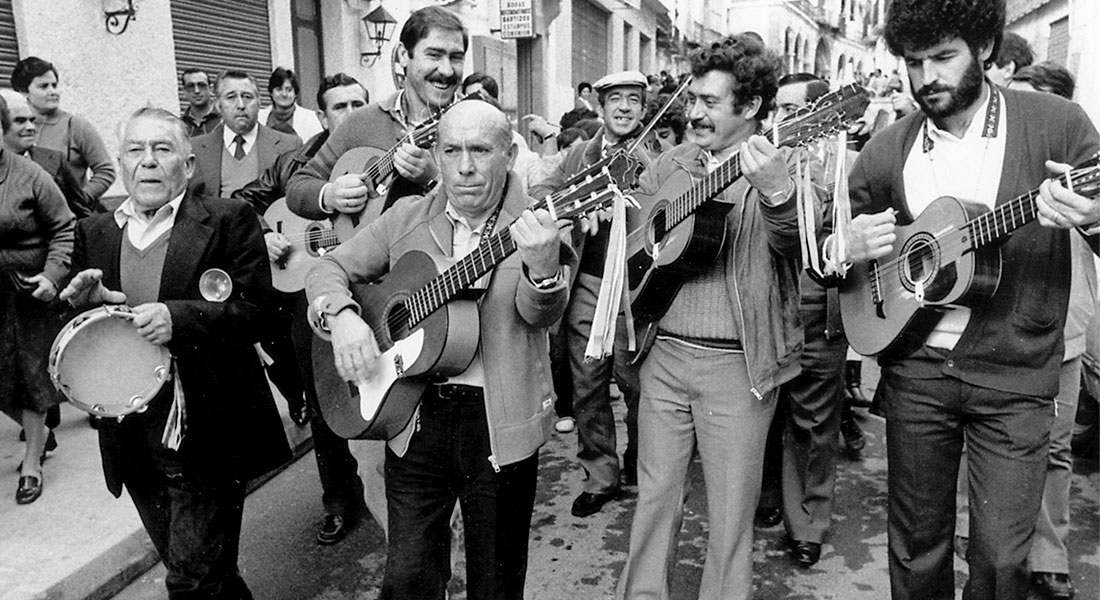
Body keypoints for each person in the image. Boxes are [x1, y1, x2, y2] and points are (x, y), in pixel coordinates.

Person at [835, 1, 1100, 598]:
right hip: (916, 375)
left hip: (1015, 376)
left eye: (944, 57)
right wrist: (847, 245)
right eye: (914, 62)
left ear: (984, 47)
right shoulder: (887, 147)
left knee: (1003, 559)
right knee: (915, 547)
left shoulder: (1058, 123)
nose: (927, 77)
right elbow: (834, 253)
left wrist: (1096, 218)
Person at [305, 98, 571, 600]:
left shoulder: (539, 220)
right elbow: (328, 268)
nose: (465, 167)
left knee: (495, 582)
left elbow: (542, 316)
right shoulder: (407, 215)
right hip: (414, 416)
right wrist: (340, 316)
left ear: (509, 154)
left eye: (480, 150)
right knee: (407, 579)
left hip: (498, 420)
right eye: (451, 151)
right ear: (436, 152)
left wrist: (543, 270)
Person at [59, 107, 291, 598]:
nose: (148, 162)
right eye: (136, 151)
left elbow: (262, 312)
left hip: (208, 430)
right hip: (131, 433)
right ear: (120, 163)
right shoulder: (95, 232)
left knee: (191, 580)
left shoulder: (228, 219)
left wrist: (179, 317)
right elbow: (81, 335)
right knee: (209, 575)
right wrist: (83, 308)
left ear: (187, 165)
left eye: (162, 150)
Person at [615, 35, 805, 600]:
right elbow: (635, 240)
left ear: (749, 109)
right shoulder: (672, 163)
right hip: (663, 352)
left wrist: (777, 194)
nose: (693, 112)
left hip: (736, 367)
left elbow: (802, 249)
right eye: (692, 98)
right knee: (654, 499)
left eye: (710, 103)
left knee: (728, 517)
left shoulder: (783, 162)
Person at [232, 73, 375, 546]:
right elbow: (238, 203)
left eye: (358, 103)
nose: (350, 114)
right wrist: (263, 233)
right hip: (313, 297)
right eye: (339, 106)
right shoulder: (296, 160)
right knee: (323, 399)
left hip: (378, 287)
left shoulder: (386, 152)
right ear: (323, 114)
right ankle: (339, 499)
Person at [529, 70, 648, 518]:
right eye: (615, 99)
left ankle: (642, 460)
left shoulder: (658, 156)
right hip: (590, 283)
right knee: (587, 385)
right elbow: (541, 188)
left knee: (639, 386)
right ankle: (601, 475)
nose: (623, 108)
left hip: (637, 287)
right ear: (600, 106)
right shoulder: (580, 153)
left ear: (643, 108)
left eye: (633, 100)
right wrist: (574, 207)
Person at [755, 72, 853, 567]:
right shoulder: (760, 161)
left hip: (819, 311)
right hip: (766, 309)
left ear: (822, 115)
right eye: (781, 110)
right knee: (763, 412)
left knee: (814, 423)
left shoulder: (846, 167)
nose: (784, 121)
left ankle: (807, 524)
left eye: (795, 111)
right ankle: (770, 495)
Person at [286, 6, 465, 221]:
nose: (446, 70)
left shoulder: (480, 124)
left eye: (456, 58)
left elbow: (500, 213)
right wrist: (331, 195)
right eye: (434, 55)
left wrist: (433, 179)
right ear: (403, 55)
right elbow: (298, 187)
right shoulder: (363, 121)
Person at [0, 92, 74, 506]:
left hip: (26, 288)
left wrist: (51, 275)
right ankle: (40, 431)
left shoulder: (30, 175)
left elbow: (65, 227)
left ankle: (31, 463)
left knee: (30, 378)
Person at [11, 57, 116, 209]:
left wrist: (79, 200)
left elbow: (106, 171)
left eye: (54, 85)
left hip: (71, 219)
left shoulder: (76, 125)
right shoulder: (15, 129)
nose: (53, 92)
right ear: (23, 92)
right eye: (43, 86)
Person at [189, 70, 302, 198]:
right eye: (231, 97)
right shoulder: (196, 148)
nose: (241, 105)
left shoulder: (290, 145)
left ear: (259, 102)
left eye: (247, 97)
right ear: (218, 105)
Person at [0, 89, 94, 218]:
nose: (30, 127)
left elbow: (81, 213)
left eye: (32, 120)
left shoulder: (55, 161)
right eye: (20, 121)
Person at [258, 67, 324, 143]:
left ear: (295, 94)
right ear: (271, 93)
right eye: (279, 89)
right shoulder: (258, 118)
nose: (284, 94)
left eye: (289, 90)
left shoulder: (310, 119)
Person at [180, 68, 222, 137]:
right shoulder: (180, 125)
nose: (196, 91)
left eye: (202, 85)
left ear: (211, 89)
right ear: (184, 91)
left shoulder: (224, 120)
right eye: (190, 86)